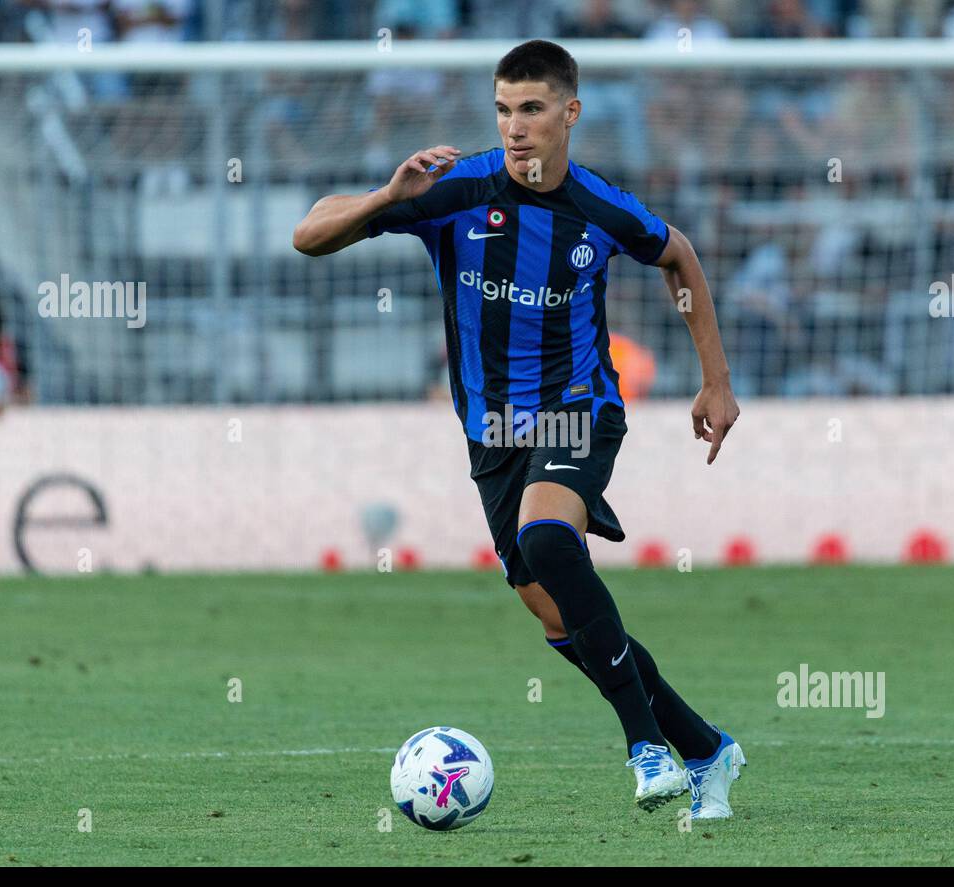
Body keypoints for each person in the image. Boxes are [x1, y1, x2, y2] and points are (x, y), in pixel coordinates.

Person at [292, 40, 745, 818]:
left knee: (545, 541)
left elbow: (678, 257)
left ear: (569, 113)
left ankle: (646, 748)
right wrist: (383, 197)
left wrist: (717, 379)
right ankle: (706, 748)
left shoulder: (600, 207)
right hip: (491, 433)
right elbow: (309, 234)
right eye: (503, 110)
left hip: (579, 410)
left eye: (531, 109)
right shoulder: (451, 190)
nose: (515, 126)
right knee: (556, 612)